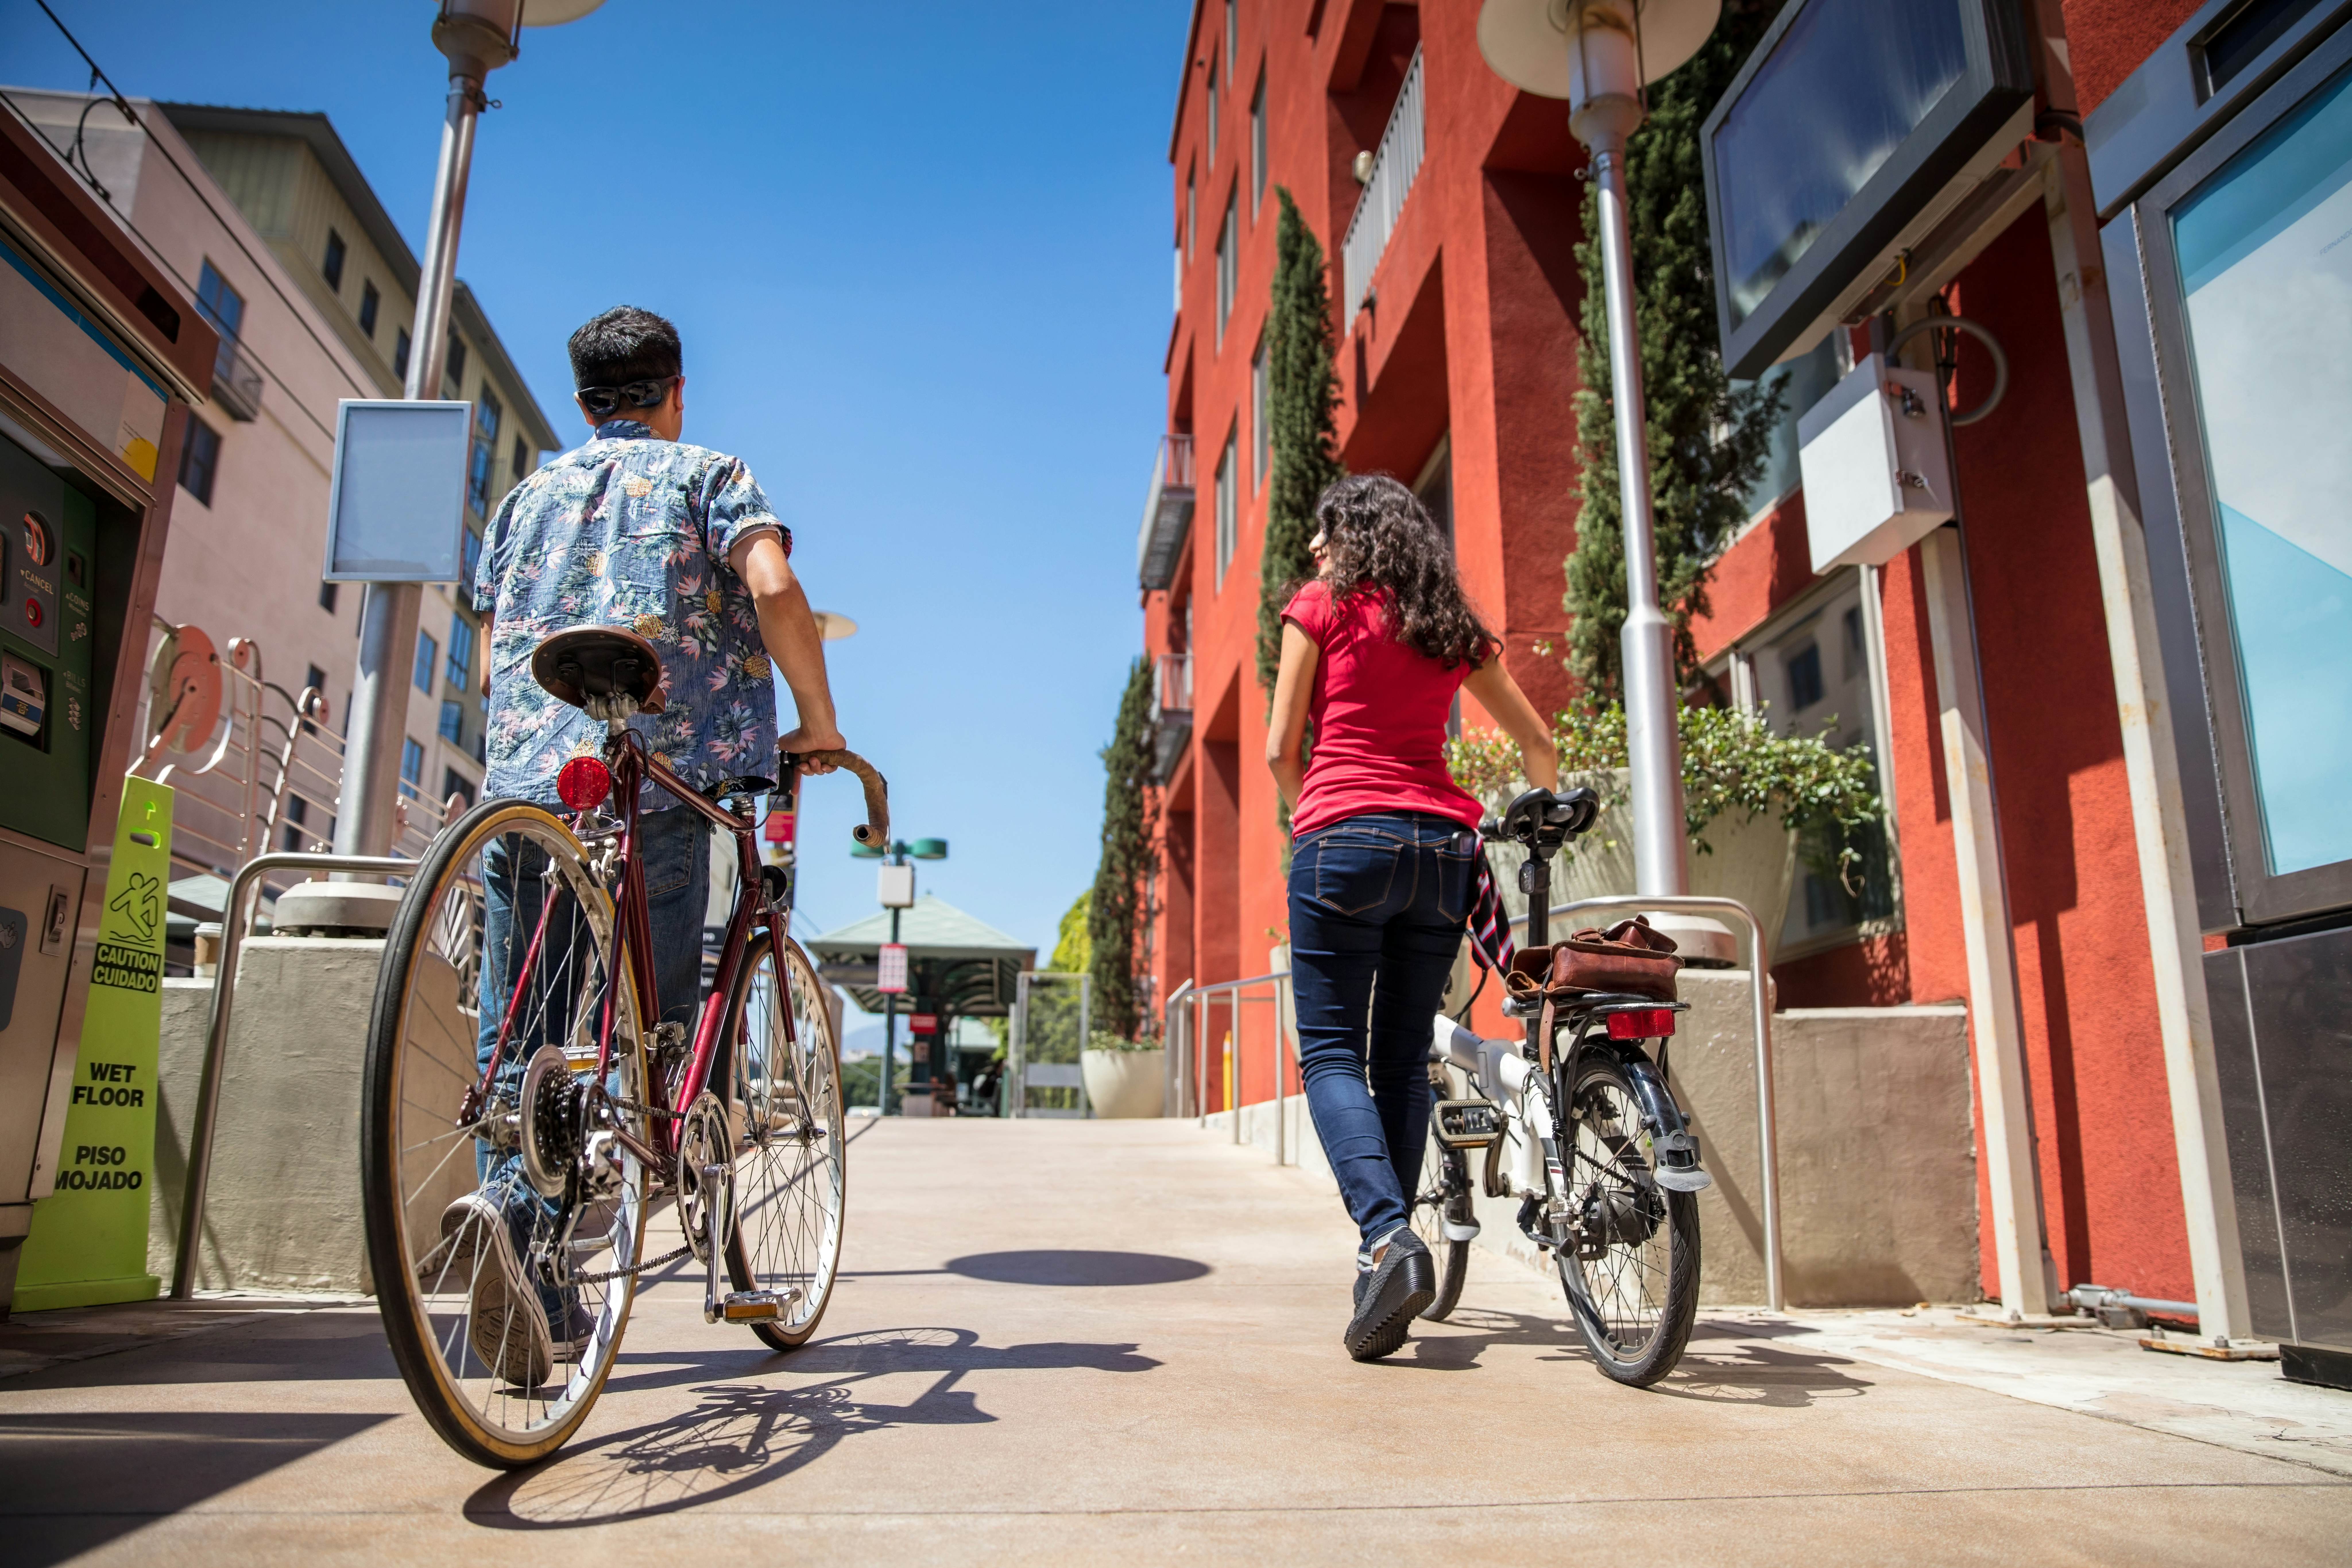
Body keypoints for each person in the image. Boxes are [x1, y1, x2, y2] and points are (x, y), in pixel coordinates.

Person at [448, 305, 847, 1385]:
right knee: (660, 1034)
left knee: (518, 1031)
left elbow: (491, 658)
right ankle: (665, 1142)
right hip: (661, 782)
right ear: (677, 392)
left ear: (582, 406)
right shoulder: (710, 473)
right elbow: (771, 585)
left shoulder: (527, 496)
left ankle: (515, 1236)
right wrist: (818, 719)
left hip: (529, 786)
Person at [1266, 474, 1559, 1361]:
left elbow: (1284, 749)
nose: (1314, 551)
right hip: (1443, 853)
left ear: (1351, 538)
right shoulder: (1449, 626)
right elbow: (1538, 744)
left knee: (1327, 1053)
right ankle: (1382, 1262)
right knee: (1399, 1059)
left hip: (1343, 841)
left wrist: (1310, 813)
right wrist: (1536, 806)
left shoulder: (1319, 607)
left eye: (1325, 536)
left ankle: (1390, 1238)